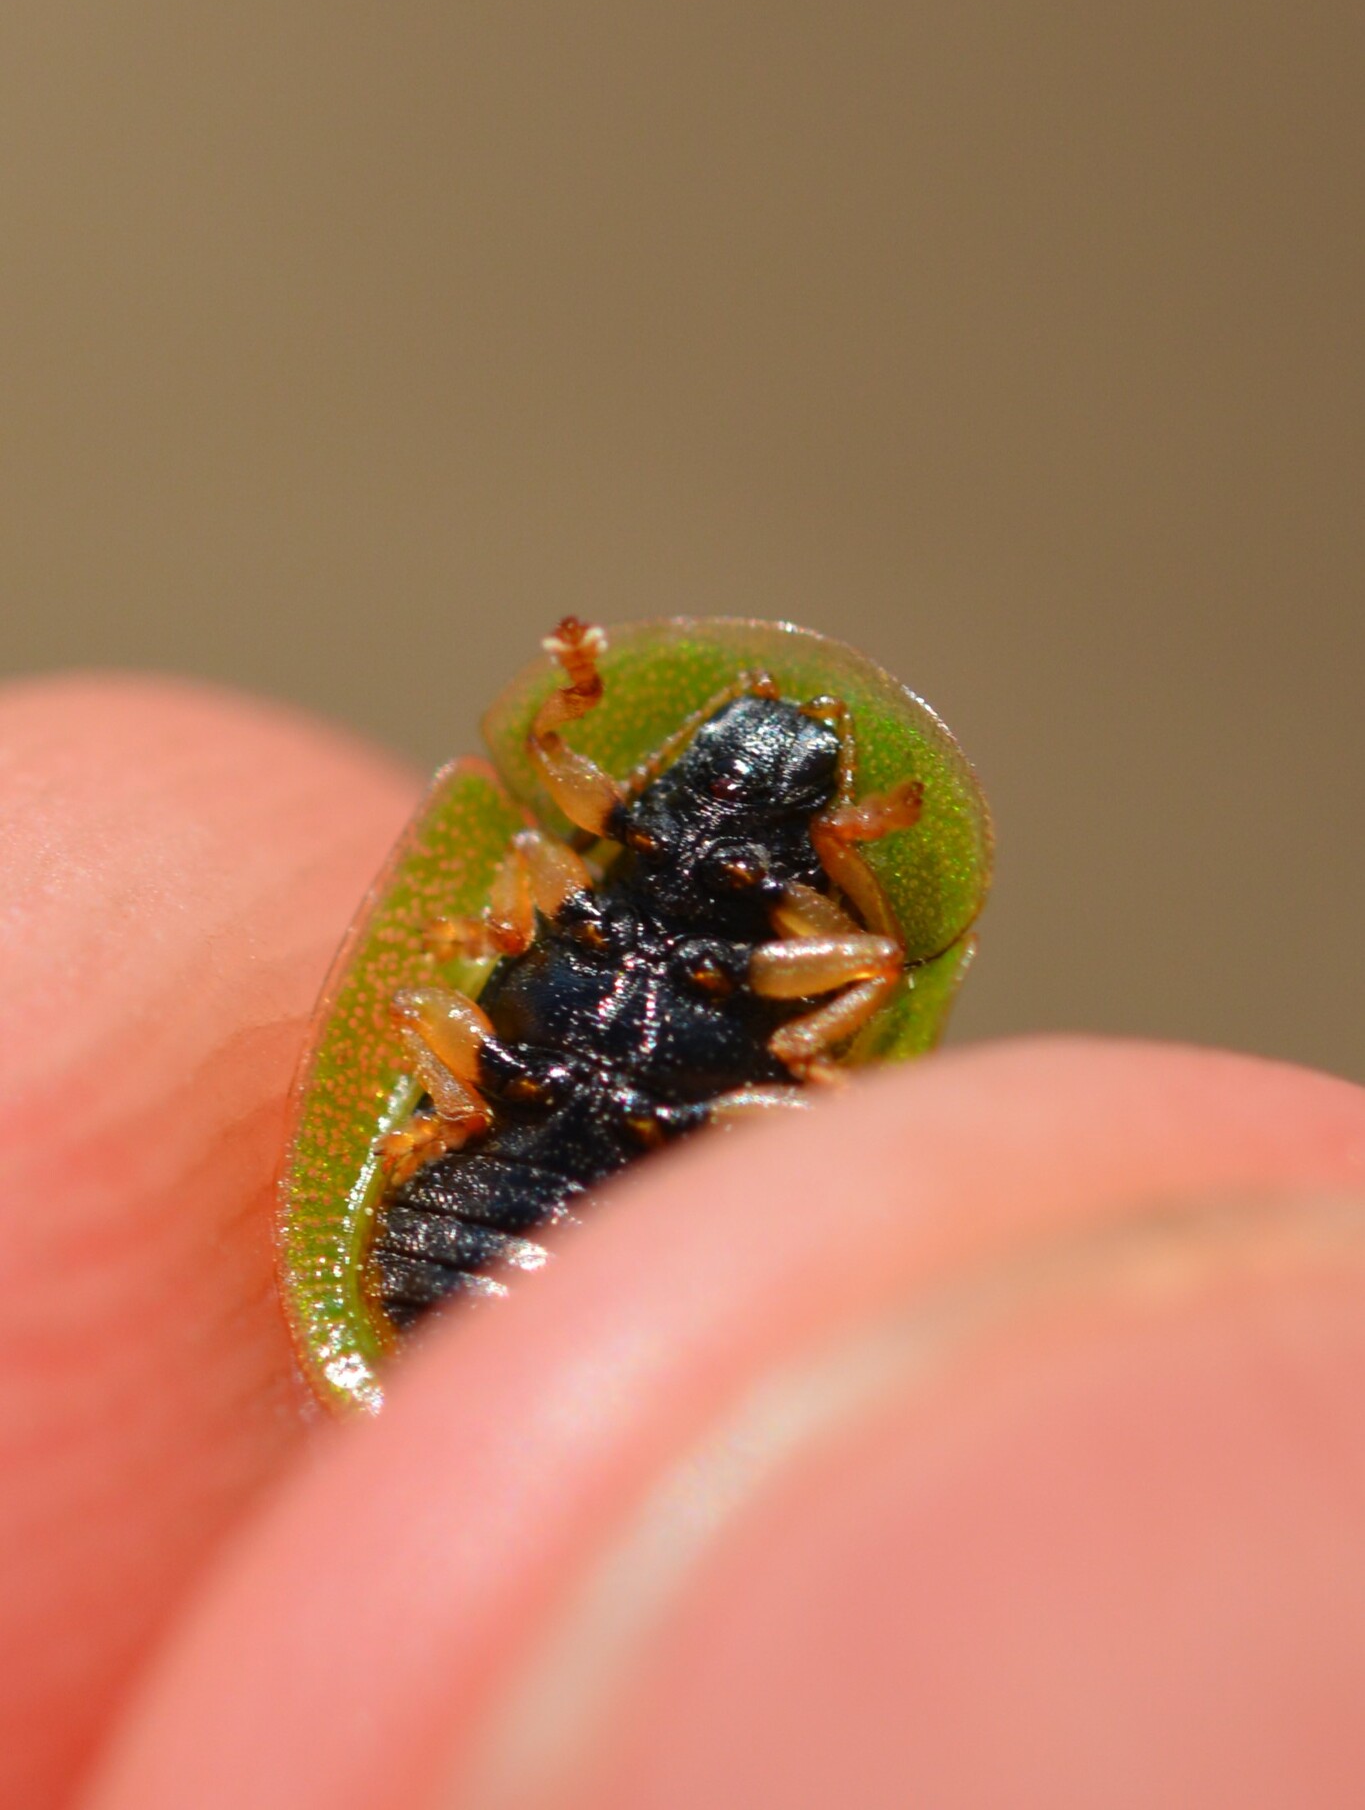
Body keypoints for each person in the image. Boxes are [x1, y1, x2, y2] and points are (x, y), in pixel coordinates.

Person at [5, 677, 1365, 1810]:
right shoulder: (708, 910)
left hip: (509, 1208)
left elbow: (563, 876)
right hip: (536, 1223)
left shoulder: (621, 878)